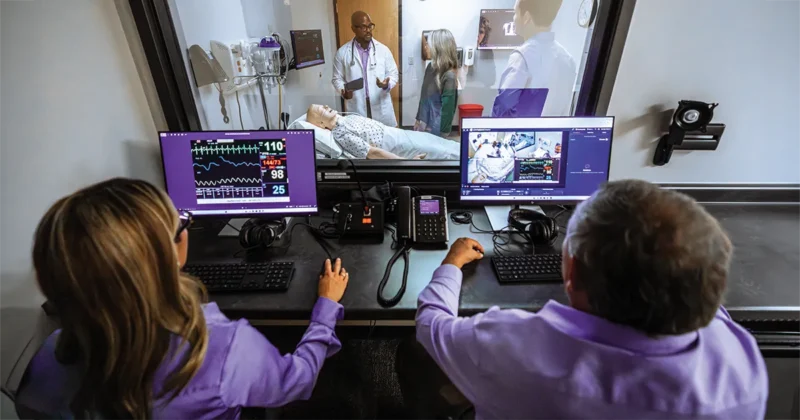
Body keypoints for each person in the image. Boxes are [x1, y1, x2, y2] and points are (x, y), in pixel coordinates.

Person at [416, 180, 768, 419]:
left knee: (409, 358)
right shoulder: (743, 369)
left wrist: (452, 263)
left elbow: (431, 320)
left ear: (572, 274)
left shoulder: (508, 347)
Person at [16, 178, 350, 418]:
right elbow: (299, 381)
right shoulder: (225, 351)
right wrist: (325, 311)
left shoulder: (47, 360)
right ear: (173, 252)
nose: (185, 228)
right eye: (179, 224)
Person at [493, 0, 577, 118]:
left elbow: (503, 107)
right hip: (555, 135)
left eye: (515, 13)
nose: (514, 18)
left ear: (526, 17)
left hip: (523, 135)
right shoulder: (568, 60)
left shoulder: (522, 57)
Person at [306, 104, 459, 160]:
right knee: (440, 151)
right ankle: (472, 160)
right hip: (394, 144)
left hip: (396, 134)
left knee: (436, 141)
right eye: (322, 110)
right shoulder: (340, 133)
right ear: (320, 124)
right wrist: (405, 162)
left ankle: (469, 151)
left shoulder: (342, 119)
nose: (326, 106)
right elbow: (371, 152)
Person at [332, 11, 399, 127]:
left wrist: (386, 84)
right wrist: (343, 91)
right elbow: (336, 79)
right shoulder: (342, 53)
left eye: (370, 26)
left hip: (380, 104)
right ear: (353, 28)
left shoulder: (383, 50)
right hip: (356, 105)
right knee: (361, 141)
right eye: (363, 27)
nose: (368, 30)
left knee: (384, 142)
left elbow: (393, 74)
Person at [415, 29, 459, 138]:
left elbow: (447, 111)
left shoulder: (449, 76)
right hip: (425, 122)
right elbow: (423, 96)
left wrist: (439, 136)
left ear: (438, 48)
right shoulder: (430, 67)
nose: (426, 47)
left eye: (428, 45)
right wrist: (418, 119)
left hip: (437, 127)